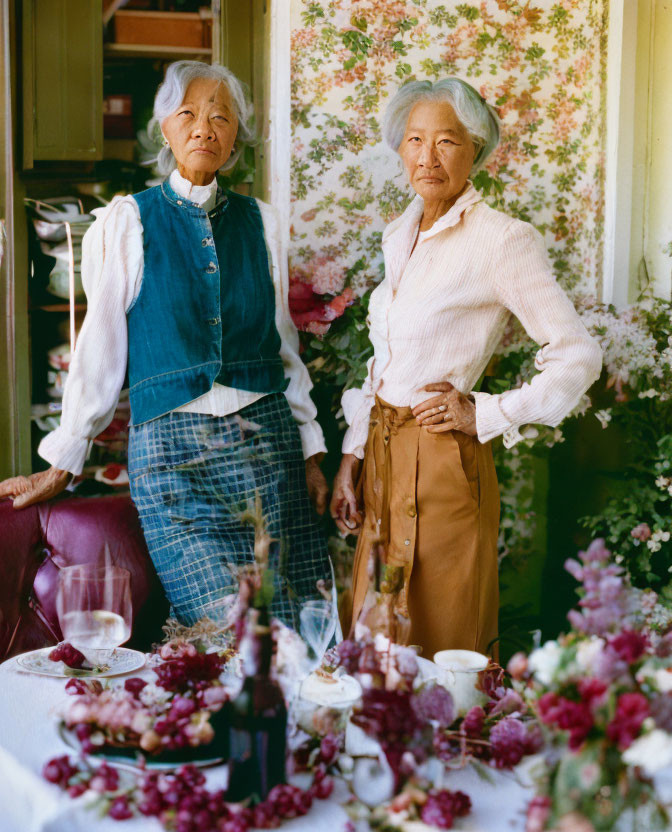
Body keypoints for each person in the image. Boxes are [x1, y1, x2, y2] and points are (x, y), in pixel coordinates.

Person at [0, 61, 331, 630]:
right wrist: (63, 461)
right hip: (173, 457)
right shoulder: (128, 221)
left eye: (221, 117)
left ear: (235, 140)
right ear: (166, 130)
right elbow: (99, 347)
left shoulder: (264, 222)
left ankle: (228, 720)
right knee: (229, 623)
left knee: (290, 629)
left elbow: (282, 346)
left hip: (267, 448)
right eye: (189, 114)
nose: (205, 127)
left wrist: (311, 449)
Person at [330, 78, 603, 659]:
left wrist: (486, 412)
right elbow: (386, 359)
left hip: (444, 460)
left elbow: (578, 354)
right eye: (415, 140)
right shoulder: (399, 234)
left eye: (447, 141)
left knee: (443, 637)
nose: (427, 157)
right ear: (399, 148)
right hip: (382, 452)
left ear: (475, 148)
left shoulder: (502, 241)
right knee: (378, 639)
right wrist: (351, 456)